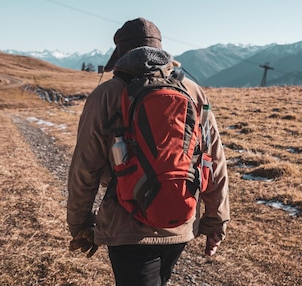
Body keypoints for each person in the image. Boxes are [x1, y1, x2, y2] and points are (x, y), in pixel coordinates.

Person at [67, 17, 230, 286]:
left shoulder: (106, 95)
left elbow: (85, 169)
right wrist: (216, 220)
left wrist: (80, 224)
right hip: (181, 219)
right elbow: (212, 160)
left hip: (126, 226)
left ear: (120, 55)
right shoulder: (193, 91)